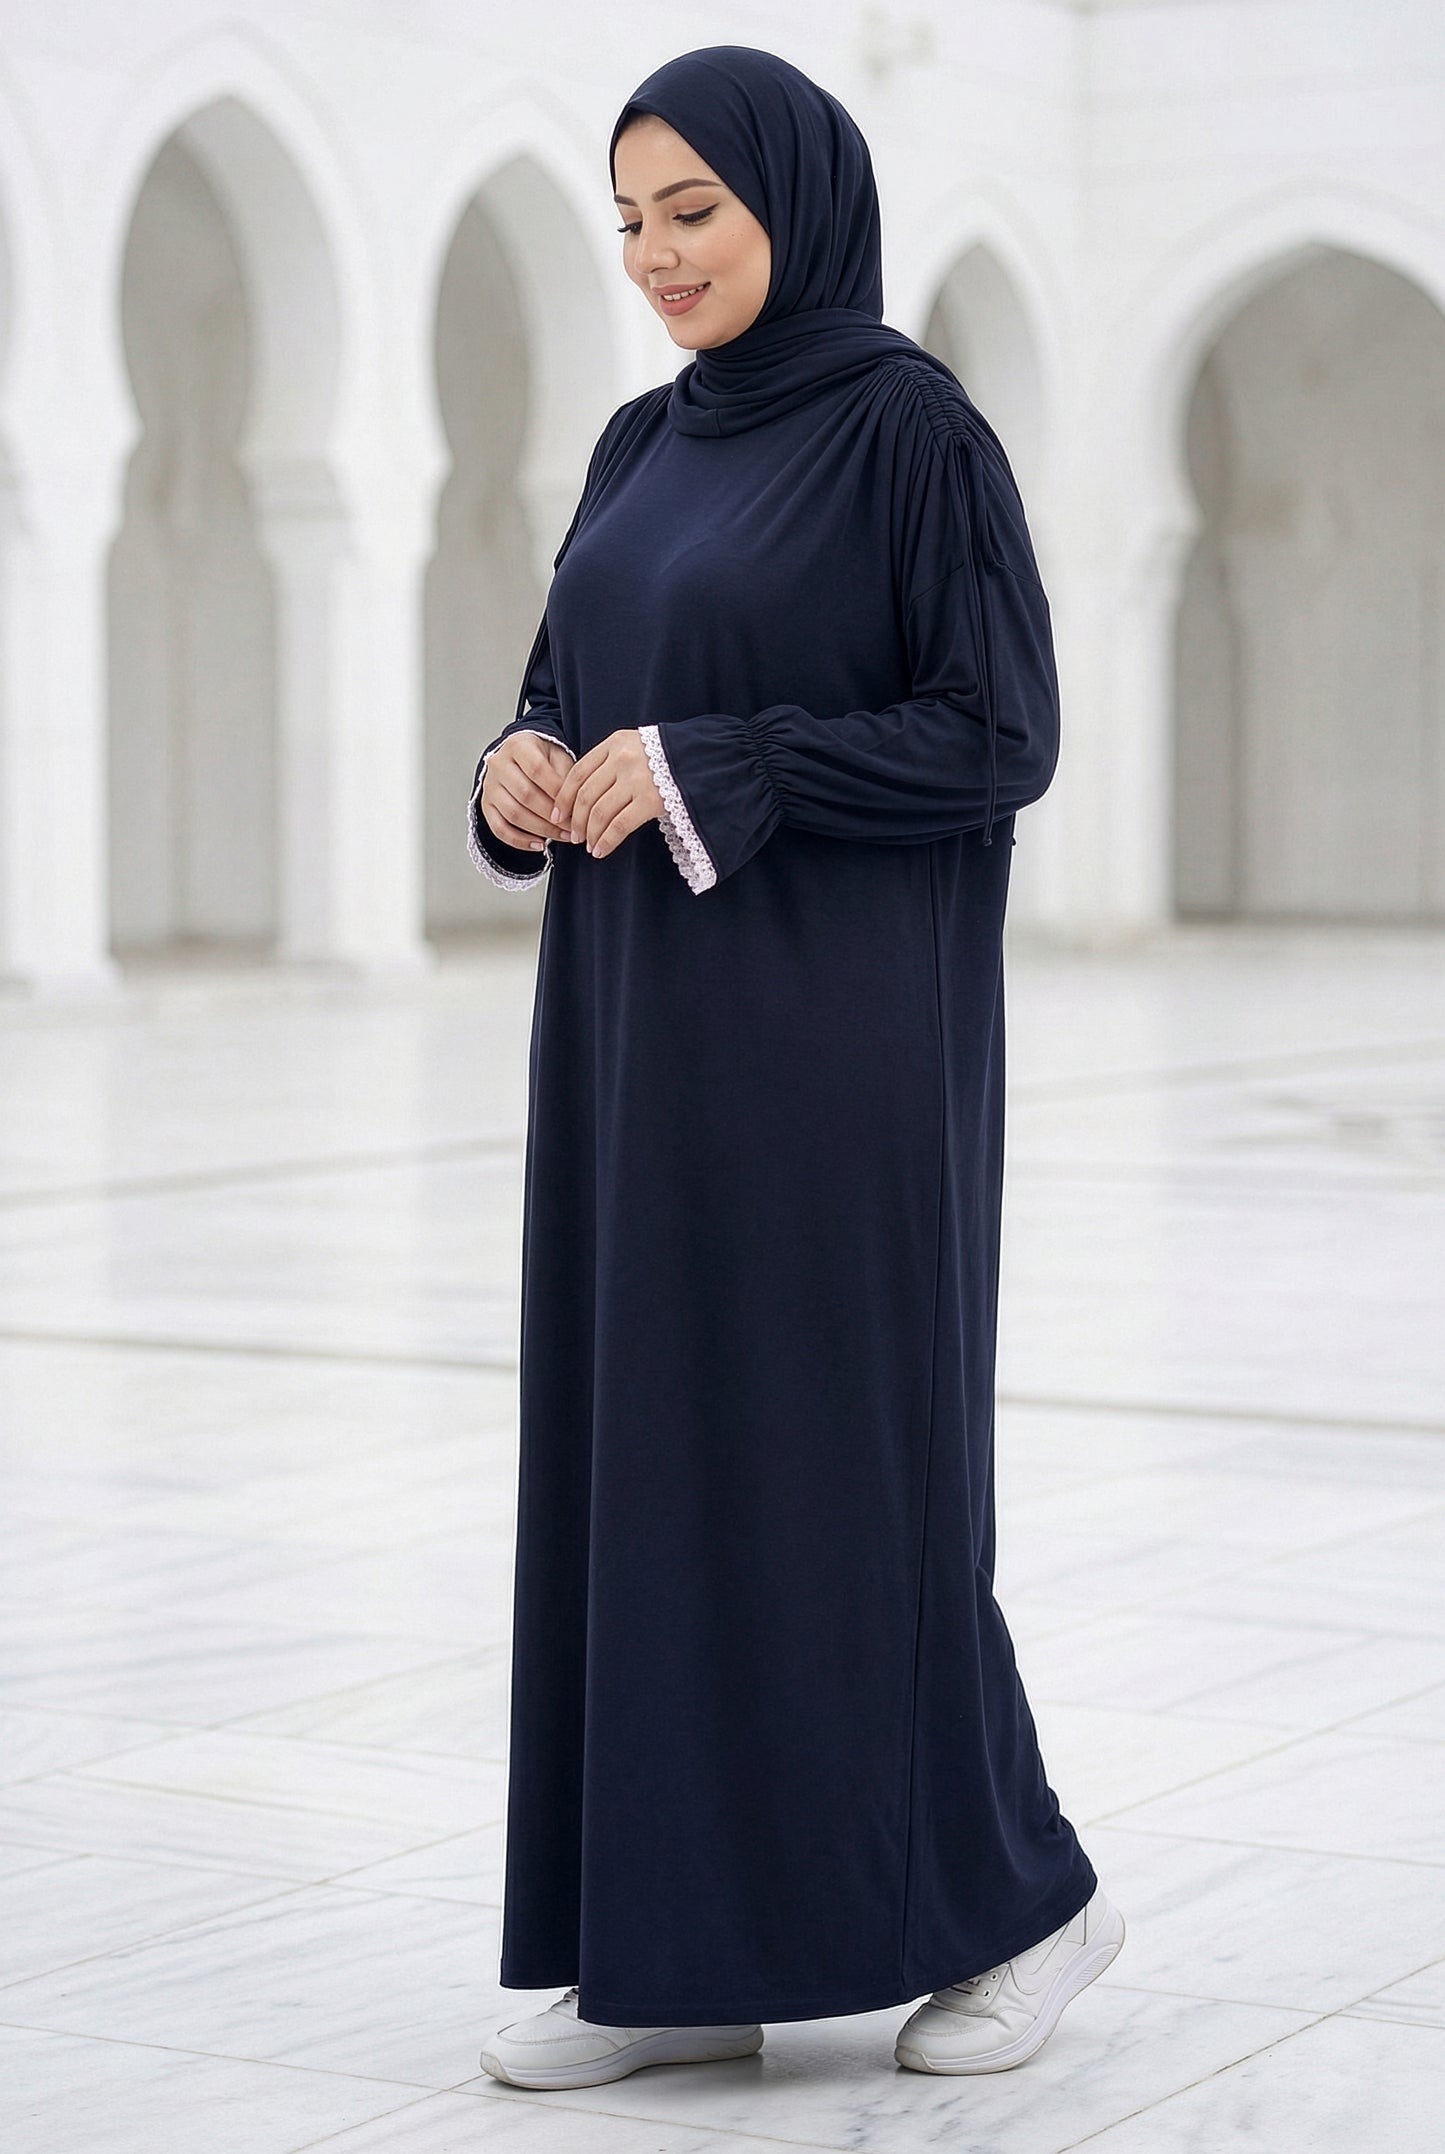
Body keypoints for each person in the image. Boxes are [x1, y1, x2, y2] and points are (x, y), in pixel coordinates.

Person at [471, 44, 1124, 2093]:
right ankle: (684, 1955)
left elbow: (997, 734)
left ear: (795, 208)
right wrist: (514, 769)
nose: (661, 256)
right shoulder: (634, 444)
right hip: (634, 1039)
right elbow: (576, 690)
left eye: (699, 213)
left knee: (851, 1468)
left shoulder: (912, 432)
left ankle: (1028, 1905)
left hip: (843, 1044)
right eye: (634, 220)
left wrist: (722, 760)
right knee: (651, 1459)